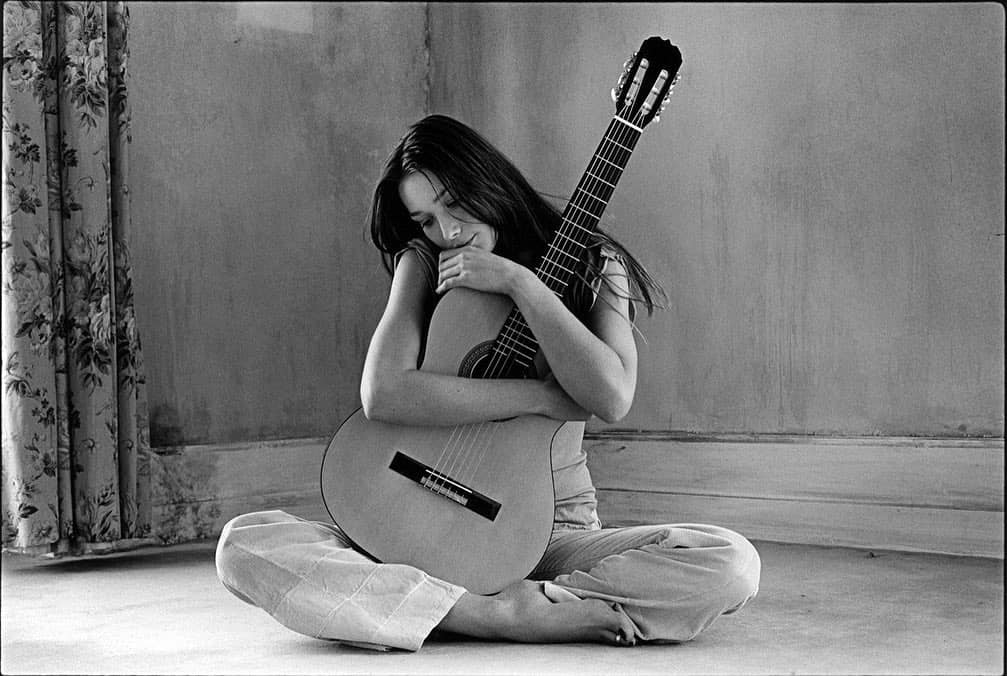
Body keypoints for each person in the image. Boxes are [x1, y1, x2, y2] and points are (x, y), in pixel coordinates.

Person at [215, 114, 760, 651]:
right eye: (426, 219)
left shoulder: (595, 264)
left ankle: (414, 605)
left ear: (486, 179)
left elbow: (612, 397)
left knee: (730, 562)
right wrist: (541, 397)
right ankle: (494, 614)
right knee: (245, 544)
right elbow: (383, 393)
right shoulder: (424, 262)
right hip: (402, 510)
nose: (448, 231)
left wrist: (521, 284)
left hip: (545, 533)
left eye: (453, 203)